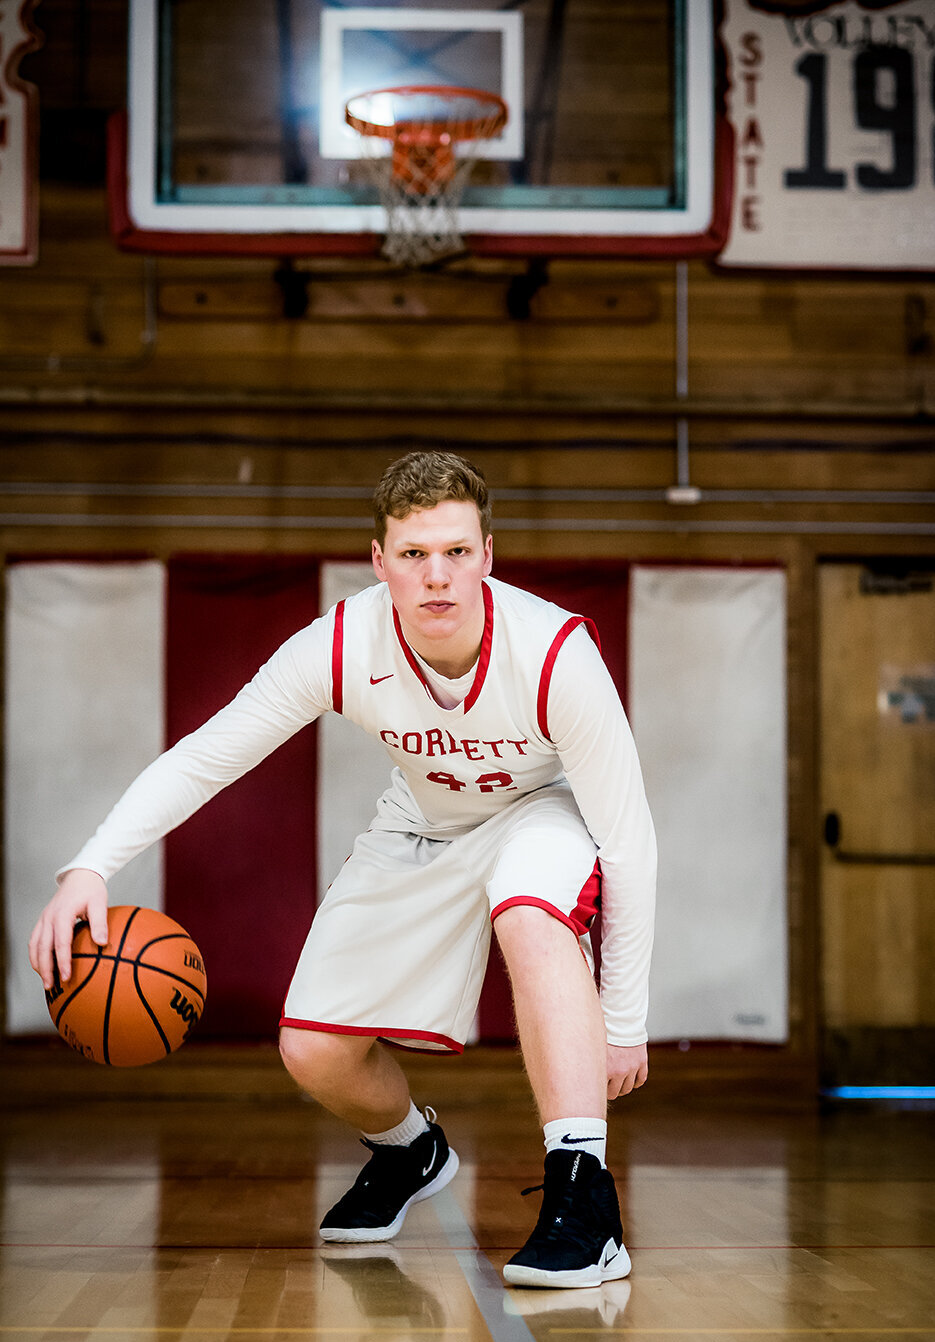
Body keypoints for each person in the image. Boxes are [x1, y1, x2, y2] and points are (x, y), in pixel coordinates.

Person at [29, 451, 656, 1289]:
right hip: (421, 822)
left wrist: (624, 1021)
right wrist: (89, 867)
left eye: (456, 553)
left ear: (488, 554)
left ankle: (585, 1203)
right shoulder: (340, 644)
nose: (436, 577)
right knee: (312, 1051)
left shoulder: (554, 654)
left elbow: (629, 842)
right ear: (378, 561)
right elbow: (209, 755)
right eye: (412, 555)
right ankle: (409, 1151)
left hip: (533, 813)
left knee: (528, 910)